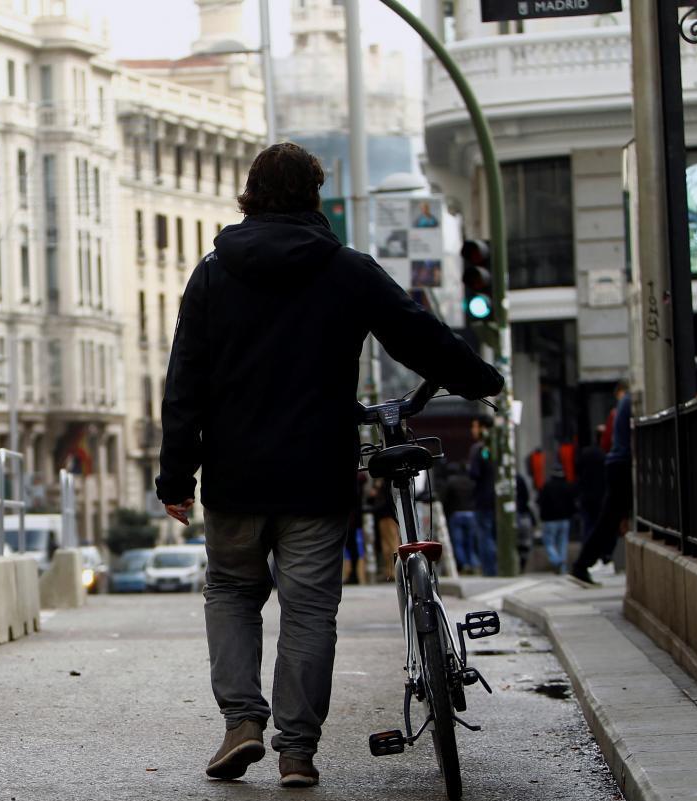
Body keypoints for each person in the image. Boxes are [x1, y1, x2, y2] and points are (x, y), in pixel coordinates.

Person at [153, 142, 503, 788]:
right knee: (310, 610)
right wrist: (483, 378)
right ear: (315, 198)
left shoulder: (211, 274)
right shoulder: (345, 271)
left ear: (249, 198)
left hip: (233, 480)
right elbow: (418, 334)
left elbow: (185, 384)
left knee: (231, 592)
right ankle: (296, 750)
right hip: (316, 478)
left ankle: (241, 723)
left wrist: (176, 476)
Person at [572, 382, 633, 583]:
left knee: (610, 519)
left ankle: (589, 562)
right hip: (622, 465)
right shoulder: (628, 403)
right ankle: (587, 562)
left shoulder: (621, 406)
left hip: (617, 464)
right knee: (609, 520)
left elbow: (607, 444)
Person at [467, 418, 499, 576]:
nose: (472, 430)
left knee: (484, 536)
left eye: (474, 426)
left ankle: (490, 570)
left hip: (483, 499)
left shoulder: (478, 449)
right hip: (495, 499)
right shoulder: (496, 447)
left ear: (482, 429)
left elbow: (474, 473)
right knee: (493, 534)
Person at [441, 462, 479, 574]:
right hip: (471, 513)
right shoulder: (472, 482)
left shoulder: (451, 482)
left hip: (456, 513)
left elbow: (445, 498)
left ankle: (464, 564)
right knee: (470, 542)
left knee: (458, 542)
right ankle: (473, 563)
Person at [538, 465, 577, 574]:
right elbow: (572, 503)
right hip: (564, 519)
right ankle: (562, 567)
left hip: (550, 520)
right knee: (562, 543)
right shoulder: (567, 486)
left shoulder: (547, 486)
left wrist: (542, 516)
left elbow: (541, 502)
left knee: (549, 542)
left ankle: (556, 560)